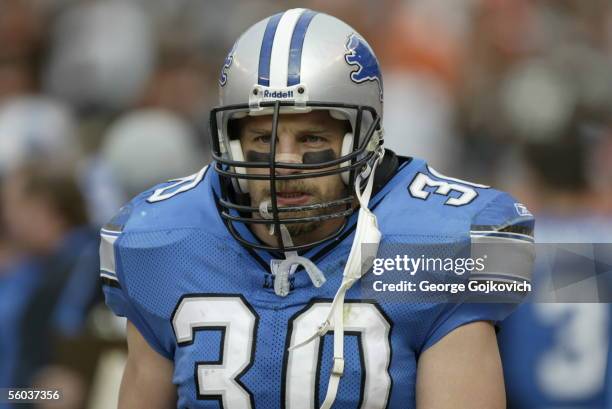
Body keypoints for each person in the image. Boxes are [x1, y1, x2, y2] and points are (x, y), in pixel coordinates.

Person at [101, 9, 535, 408]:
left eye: (311, 138)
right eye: (262, 140)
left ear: (363, 139)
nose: (284, 162)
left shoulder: (438, 240)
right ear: (230, 141)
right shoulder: (159, 238)